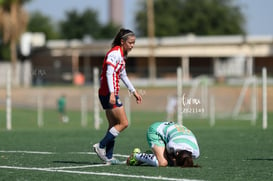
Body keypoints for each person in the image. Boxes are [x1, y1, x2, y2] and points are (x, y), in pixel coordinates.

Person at [93, 28, 142, 164]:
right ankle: (101, 146)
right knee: (124, 123)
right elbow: (109, 73)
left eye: (134, 43)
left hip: (108, 92)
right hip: (108, 93)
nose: (132, 46)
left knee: (113, 125)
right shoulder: (114, 54)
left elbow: (122, 75)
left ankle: (108, 157)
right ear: (122, 41)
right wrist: (113, 94)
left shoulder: (121, 55)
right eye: (130, 43)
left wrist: (134, 92)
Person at [127, 121, 200, 167]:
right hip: (155, 130)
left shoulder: (196, 152)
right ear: (177, 153)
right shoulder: (173, 145)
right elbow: (169, 156)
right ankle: (136, 156)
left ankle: (150, 155)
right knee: (163, 163)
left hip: (170, 129)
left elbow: (183, 158)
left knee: (170, 162)